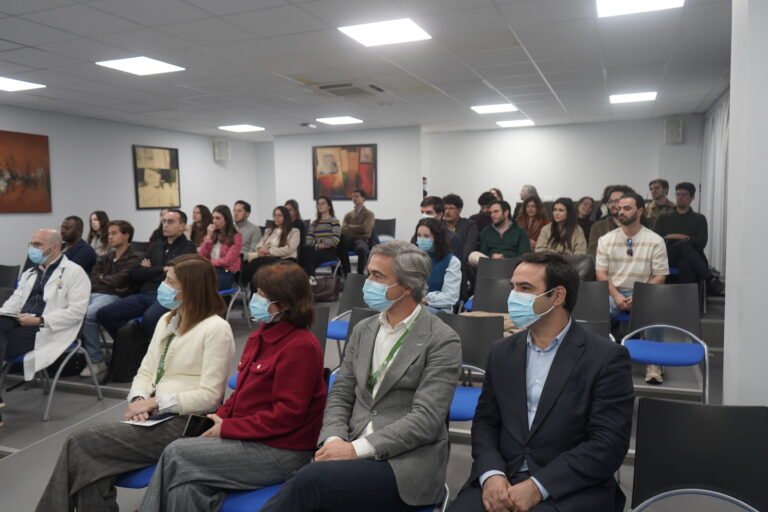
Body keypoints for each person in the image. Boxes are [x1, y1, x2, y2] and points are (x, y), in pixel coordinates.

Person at [260, 240, 462, 512]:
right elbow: (341, 394)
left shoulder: (441, 340)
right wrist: (333, 439)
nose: (368, 282)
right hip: (350, 446)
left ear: (407, 287)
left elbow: (425, 420)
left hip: (404, 463)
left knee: (311, 483)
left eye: (378, 276)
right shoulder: (364, 329)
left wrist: (356, 450)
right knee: (311, 487)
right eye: (369, 273)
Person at [36, 255, 235, 512]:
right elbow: (146, 370)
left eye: (169, 281)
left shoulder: (216, 329)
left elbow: (210, 396)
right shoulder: (168, 320)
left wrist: (156, 402)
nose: (162, 285)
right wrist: (139, 400)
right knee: (92, 467)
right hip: (154, 414)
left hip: (186, 421)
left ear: (191, 289)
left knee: (80, 442)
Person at [448, 253, 634, 512]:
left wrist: (538, 486)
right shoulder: (501, 352)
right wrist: (491, 474)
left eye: (525, 288)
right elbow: (486, 422)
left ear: (557, 297)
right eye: (512, 287)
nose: (513, 296)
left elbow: (607, 443)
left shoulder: (606, 358)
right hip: (503, 476)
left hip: (568, 487)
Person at [138, 261, 327, 510]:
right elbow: (241, 396)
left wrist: (228, 427)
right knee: (187, 487)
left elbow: (287, 416)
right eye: (257, 291)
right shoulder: (260, 336)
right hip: (250, 438)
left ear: (286, 304)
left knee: (176, 453)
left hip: (281, 451)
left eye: (262, 294)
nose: (255, 298)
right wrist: (218, 417)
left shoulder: (300, 347)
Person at [0, 229, 90, 410]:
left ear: (54, 247)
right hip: (19, 321)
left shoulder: (74, 272)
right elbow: (13, 303)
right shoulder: (29, 274)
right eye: (31, 244)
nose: (32, 248)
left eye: (37, 245)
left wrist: (40, 320)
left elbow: (77, 312)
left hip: (45, 328)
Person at [596, 193, 669, 384]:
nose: (621, 212)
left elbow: (660, 276)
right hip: (614, 292)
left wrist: (639, 296)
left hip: (644, 292)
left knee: (657, 307)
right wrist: (616, 295)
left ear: (640, 211)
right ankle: (597, 361)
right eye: (619, 208)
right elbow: (601, 275)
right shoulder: (606, 240)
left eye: (626, 208)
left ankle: (653, 363)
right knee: (595, 306)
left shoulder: (655, 240)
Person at [97, 209, 197, 339]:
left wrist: (150, 270)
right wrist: (161, 269)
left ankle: (148, 350)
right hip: (145, 293)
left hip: (169, 296)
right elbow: (136, 273)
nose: (165, 225)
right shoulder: (157, 245)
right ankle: (133, 345)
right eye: (164, 221)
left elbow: (176, 274)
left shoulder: (188, 247)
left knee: (149, 320)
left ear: (182, 226)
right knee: (104, 314)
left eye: (170, 222)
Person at [81, 220, 141, 379]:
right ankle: (79, 355)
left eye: (114, 233)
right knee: (72, 311)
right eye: (109, 234)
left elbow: (121, 280)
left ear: (126, 235)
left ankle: (96, 360)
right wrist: (107, 279)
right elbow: (93, 278)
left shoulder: (136, 257)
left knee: (88, 315)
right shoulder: (105, 257)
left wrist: (104, 279)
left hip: (116, 297)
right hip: (95, 293)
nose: (110, 237)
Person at [654, 182, 723, 294]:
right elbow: (655, 240)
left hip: (692, 258)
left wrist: (676, 237)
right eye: (678, 194)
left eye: (684, 195)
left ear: (692, 198)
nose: (680, 197)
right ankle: (710, 278)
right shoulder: (664, 218)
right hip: (668, 256)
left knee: (685, 264)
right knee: (683, 244)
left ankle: (685, 304)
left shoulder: (699, 219)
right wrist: (685, 238)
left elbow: (701, 243)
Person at [242, 206, 301, 289]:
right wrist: (260, 249)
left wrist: (269, 251)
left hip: (284, 259)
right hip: (266, 258)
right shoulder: (269, 231)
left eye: (279, 215)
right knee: (252, 264)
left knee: (258, 263)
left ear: (286, 217)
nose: (276, 218)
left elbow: (289, 249)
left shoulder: (294, 231)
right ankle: (253, 292)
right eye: (274, 215)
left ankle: (243, 282)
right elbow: (259, 244)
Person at [414, 218, 461, 313]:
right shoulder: (414, 258)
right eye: (419, 235)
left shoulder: (451, 261)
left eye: (426, 236)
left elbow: (451, 297)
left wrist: (426, 299)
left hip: (439, 310)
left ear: (437, 238)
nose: (421, 239)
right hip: (414, 306)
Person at [469, 200, 531, 268]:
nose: (492, 215)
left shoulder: (520, 231)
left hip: (511, 265)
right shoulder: (486, 231)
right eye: (491, 213)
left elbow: (524, 256)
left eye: (496, 211)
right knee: (473, 255)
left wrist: (504, 258)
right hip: (490, 264)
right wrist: (493, 257)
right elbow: (483, 254)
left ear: (506, 213)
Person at [198, 204, 243, 290]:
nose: (214, 221)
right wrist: (208, 237)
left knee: (204, 285)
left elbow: (227, 261)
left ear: (226, 220)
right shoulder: (212, 235)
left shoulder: (236, 236)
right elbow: (202, 255)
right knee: (192, 280)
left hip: (226, 272)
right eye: (213, 218)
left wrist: (209, 262)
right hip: (210, 269)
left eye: (218, 218)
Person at [587, 185, 635, 257]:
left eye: (617, 201)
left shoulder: (637, 225)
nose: (612, 204)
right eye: (610, 201)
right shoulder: (598, 227)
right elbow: (592, 254)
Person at [301, 196, 341, 277]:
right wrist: (319, 245)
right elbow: (308, 241)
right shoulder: (314, 223)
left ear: (329, 206)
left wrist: (317, 242)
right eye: (318, 204)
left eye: (323, 203)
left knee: (308, 255)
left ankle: (309, 280)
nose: (320, 206)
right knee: (304, 251)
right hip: (315, 250)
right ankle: (310, 279)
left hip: (329, 252)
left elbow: (335, 241)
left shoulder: (334, 221)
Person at [341, 189, 375, 275]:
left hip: (362, 239)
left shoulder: (369, 214)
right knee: (340, 247)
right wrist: (358, 229)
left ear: (363, 198)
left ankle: (360, 274)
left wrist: (350, 227)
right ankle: (347, 274)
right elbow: (343, 229)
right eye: (352, 196)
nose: (354, 198)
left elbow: (365, 229)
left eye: (356, 196)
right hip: (349, 240)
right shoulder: (348, 214)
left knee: (362, 249)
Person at [443, 193, 479, 264]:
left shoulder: (469, 225)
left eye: (451, 208)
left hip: (462, 262)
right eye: (445, 208)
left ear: (459, 210)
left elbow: (469, 248)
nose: (447, 212)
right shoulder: (439, 225)